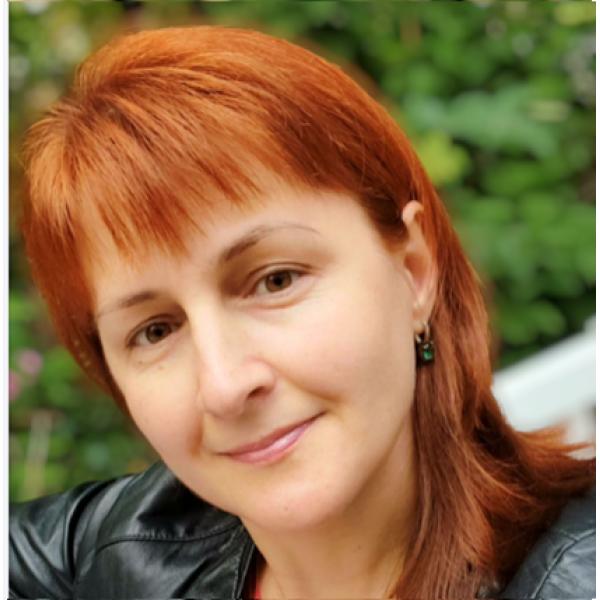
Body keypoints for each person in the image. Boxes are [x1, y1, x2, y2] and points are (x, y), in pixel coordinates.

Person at [10, 26, 595, 600]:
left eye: (276, 281)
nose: (224, 386)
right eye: (155, 331)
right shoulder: (134, 546)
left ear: (414, 271)